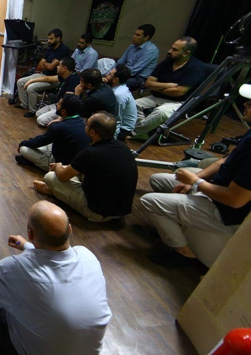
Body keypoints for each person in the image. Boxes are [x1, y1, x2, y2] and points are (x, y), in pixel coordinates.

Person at [0, 201, 112, 355]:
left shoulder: (21, 267)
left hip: (25, 350)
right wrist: (27, 246)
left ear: (30, 234)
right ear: (70, 229)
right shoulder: (87, 256)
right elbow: (53, 259)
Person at [140, 84, 251, 267]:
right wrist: (195, 180)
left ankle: (184, 254)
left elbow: (235, 200)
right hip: (215, 187)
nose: (245, 104)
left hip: (225, 212)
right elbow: (224, 161)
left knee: (149, 202)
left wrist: (196, 182)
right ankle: (173, 223)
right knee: (157, 180)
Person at [34, 112, 138, 222]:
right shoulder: (123, 147)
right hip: (121, 211)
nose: (84, 124)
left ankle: (55, 192)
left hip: (97, 212)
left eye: (86, 124)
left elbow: (62, 176)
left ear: (92, 132)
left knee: (50, 177)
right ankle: (59, 192)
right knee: (75, 172)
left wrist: (58, 166)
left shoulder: (89, 153)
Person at [129, 36, 205, 140]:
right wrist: (168, 85)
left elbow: (179, 92)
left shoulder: (196, 68)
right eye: (171, 48)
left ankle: (134, 132)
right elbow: (148, 83)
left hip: (179, 102)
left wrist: (157, 87)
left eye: (175, 50)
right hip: (157, 97)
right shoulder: (167, 62)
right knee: (133, 104)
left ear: (186, 53)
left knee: (161, 112)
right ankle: (143, 133)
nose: (169, 51)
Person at [16, 94, 89, 171]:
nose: (57, 104)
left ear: (63, 111)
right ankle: (32, 160)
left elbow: (39, 142)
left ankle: (35, 163)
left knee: (23, 149)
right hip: (73, 161)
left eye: (59, 104)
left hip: (60, 165)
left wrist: (23, 143)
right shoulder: (82, 122)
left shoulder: (58, 127)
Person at [15, 28, 70, 114]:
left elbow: (51, 67)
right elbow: (40, 66)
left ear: (58, 38)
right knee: (20, 82)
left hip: (55, 79)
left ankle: (32, 110)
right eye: (48, 38)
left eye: (51, 39)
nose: (48, 41)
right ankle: (24, 104)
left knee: (31, 88)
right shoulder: (50, 49)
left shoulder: (64, 49)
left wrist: (46, 64)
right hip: (43, 74)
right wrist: (48, 64)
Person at [34, 56, 81, 127]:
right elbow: (48, 78)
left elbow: (68, 102)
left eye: (59, 65)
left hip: (63, 108)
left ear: (64, 68)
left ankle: (61, 124)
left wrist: (60, 117)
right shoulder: (66, 75)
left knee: (40, 120)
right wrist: (31, 81)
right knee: (38, 113)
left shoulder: (73, 80)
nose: (57, 67)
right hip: (56, 104)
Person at [116, 24, 159, 91]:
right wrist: (111, 72)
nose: (134, 36)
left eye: (138, 35)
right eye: (135, 34)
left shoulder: (151, 50)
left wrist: (116, 75)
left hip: (139, 78)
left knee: (115, 82)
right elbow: (120, 62)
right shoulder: (131, 47)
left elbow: (135, 70)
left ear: (146, 37)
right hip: (125, 73)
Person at [104, 64, 137, 140]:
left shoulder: (118, 95)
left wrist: (112, 141)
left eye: (109, 74)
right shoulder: (117, 87)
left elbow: (117, 119)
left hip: (122, 129)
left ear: (115, 80)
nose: (106, 75)